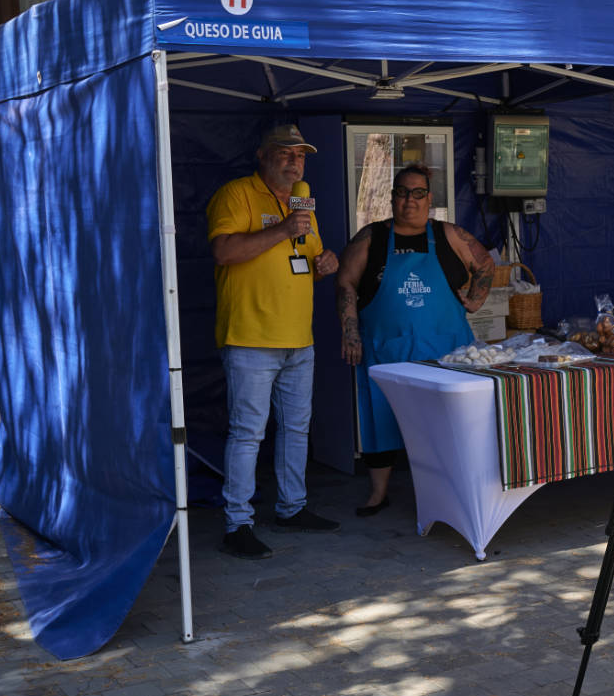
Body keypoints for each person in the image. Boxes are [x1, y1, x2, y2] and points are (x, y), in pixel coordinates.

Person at [207, 122, 342, 560]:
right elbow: (225, 252)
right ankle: (237, 523)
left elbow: (309, 254)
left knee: (296, 429)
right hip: (250, 338)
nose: (294, 160)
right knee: (247, 434)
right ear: (262, 155)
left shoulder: (303, 201)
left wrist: (326, 262)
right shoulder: (236, 194)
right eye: (285, 152)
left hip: (298, 339)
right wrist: (282, 230)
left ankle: (291, 507)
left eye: (300, 154)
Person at [337, 164, 497, 514]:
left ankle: (453, 489)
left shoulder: (449, 235)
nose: (409, 200)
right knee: (380, 417)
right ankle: (379, 492)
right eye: (401, 192)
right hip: (386, 350)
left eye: (418, 193)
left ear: (430, 199)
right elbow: (346, 281)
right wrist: (350, 332)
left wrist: (476, 298)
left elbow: (486, 265)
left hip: (446, 353)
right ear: (392, 197)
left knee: (448, 421)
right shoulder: (372, 237)